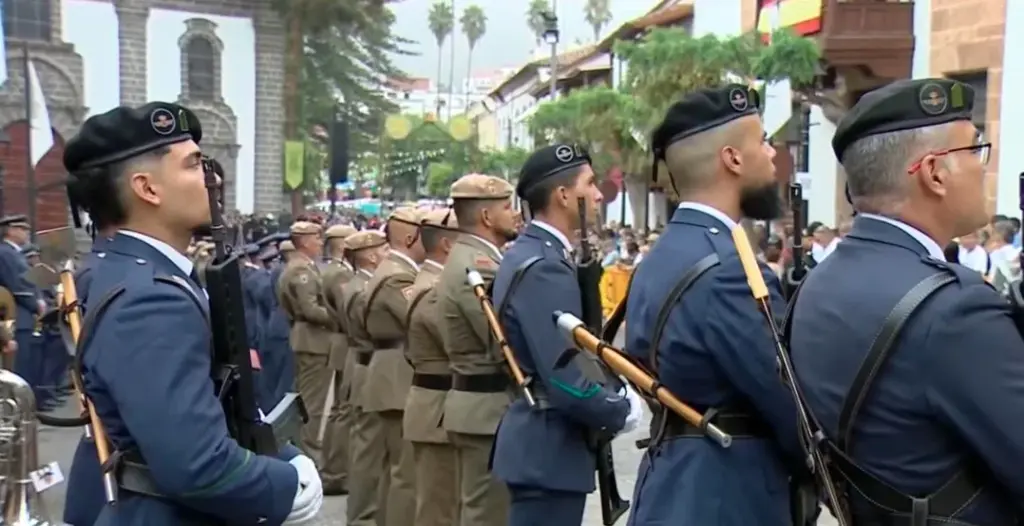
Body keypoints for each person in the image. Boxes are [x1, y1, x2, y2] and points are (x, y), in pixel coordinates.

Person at [60, 101, 321, 524]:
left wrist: (281, 454)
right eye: (193, 165)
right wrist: (282, 486)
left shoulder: (133, 269)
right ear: (148, 188)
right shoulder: (150, 298)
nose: (211, 179)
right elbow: (196, 463)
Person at [788, 79, 1024, 524]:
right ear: (935, 173)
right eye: (975, 151)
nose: (983, 168)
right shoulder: (954, 309)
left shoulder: (817, 285)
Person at [624, 85, 803, 525]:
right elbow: (789, 403)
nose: (772, 155)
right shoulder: (730, 269)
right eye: (763, 141)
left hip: (672, 482)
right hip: (726, 496)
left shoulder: (662, 255)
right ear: (733, 159)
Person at [491, 145, 642, 526]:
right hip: (548, 447)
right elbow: (565, 376)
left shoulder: (536, 253)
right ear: (563, 195)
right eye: (589, 184)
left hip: (544, 448)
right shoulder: (545, 266)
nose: (597, 194)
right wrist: (619, 409)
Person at [437, 173, 521, 526]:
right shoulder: (477, 266)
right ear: (486, 217)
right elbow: (502, 341)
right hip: (486, 410)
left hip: (481, 408)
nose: (515, 214)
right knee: (488, 516)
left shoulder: (474, 258)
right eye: (506, 206)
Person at [361, 206, 424, 526]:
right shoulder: (398, 274)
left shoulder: (390, 269)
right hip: (398, 373)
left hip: (391, 370)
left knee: (395, 470)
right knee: (407, 474)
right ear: (412, 237)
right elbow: (419, 320)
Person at [403, 208, 461, 526]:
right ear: (448, 245)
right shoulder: (435, 289)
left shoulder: (430, 282)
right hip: (437, 408)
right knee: (439, 509)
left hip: (435, 407)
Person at [339, 229, 390, 526]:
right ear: (371, 256)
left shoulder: (359, 284)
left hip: (363, 366)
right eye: (383, 251)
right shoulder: (362, 289)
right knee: (368, 452)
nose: (386, 255)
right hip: (368, 367)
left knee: (368, 448)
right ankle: (362, 516)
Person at [277, 221, 335, 462]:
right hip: (313, 341)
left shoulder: (304, 267)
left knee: (312, 401)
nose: (320, 243)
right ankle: (310, 456)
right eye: (316, 238)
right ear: (304, 241)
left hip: (311, 340)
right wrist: (340, 317)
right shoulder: (300, 271)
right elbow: (309, 309)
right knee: (314, 405)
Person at [319, 223, 357, 495]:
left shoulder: (332, 271)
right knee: (344, 411)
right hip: (346, 342)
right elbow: (349, 313)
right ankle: (336, 471)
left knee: (340, 410)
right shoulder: (340, 275)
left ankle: (335, 468)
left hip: (340, 342)